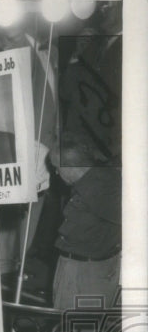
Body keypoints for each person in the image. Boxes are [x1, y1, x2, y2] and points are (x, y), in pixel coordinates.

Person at [50, 132, 121, 309]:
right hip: (78, 267)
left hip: (87, 273)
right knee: (67, 329)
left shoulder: (102, 187)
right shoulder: (89, 181)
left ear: (71, 167)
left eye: (57, 168)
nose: (57, 173)